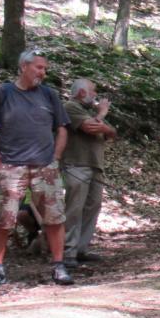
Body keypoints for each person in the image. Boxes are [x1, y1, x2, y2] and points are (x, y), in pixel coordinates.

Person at [0, 49, 73, 292]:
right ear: (23, 67)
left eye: (45, 69)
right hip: (11, 166)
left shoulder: (49, 95)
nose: (43, 73)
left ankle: (59, 265)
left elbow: (62, 128)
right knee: (3, 219)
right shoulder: (3, 93)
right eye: (39, 68)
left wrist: (55, 158)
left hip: (45, 166)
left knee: (54, 217)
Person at [61, 78, 116, 267]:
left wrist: (103, 124)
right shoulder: (70, 107)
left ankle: (81, 249)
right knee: (74, 208)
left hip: (95, 165)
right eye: (93, 91)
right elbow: (91, 127)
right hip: (76, 165)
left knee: (93, 206)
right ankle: (67, 251)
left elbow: (112, 133)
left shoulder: (90, 112)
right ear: (82, 92)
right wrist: (102, 113)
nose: (95, 95)